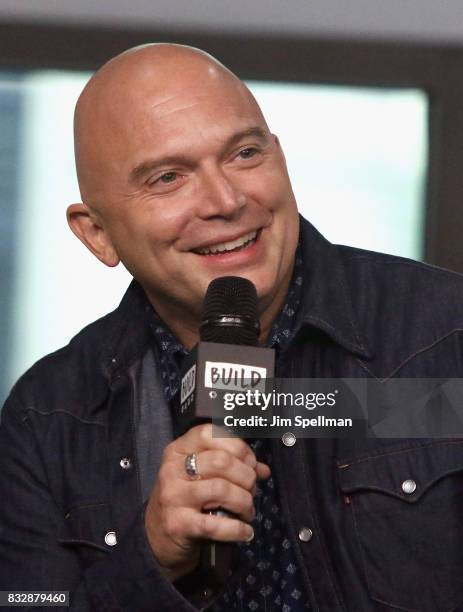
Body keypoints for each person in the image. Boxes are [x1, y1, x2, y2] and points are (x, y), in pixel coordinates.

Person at [1, 43, 463, 612]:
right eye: (167, 177)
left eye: (244, 154)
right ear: (97, 233)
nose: (225, 200)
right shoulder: (48, 416)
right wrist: (149, 559)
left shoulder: (444, 335)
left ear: (281, 159)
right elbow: (29, 600)